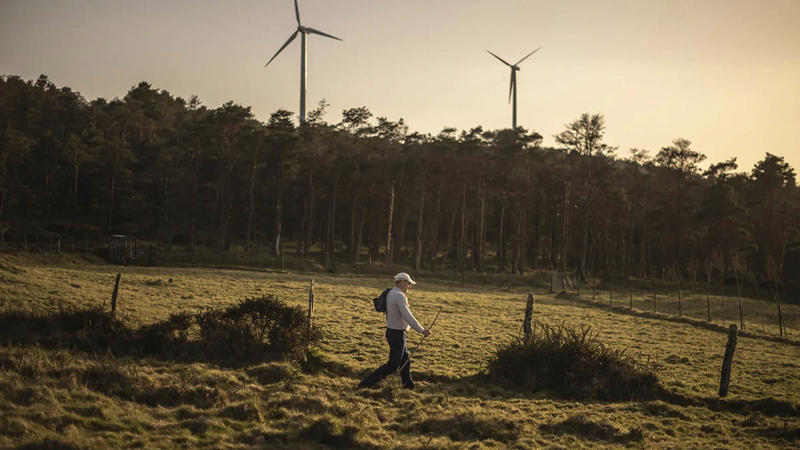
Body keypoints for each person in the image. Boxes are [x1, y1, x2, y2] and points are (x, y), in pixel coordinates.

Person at [357, 272, 430, 390]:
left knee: (405, 360)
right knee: (393, 365)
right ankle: (365, 384)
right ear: (401, 282)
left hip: (391, 332)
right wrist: (422, 330)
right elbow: (408, 316)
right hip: (397, 334)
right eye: (408, 283)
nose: (409, 287)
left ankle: (409, 387)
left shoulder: (391, 293)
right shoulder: (399, 296)